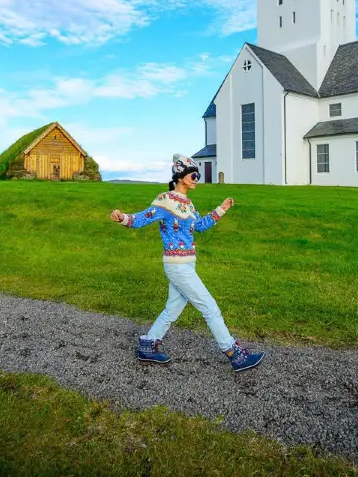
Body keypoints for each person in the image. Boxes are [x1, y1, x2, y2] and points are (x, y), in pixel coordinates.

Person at [110, 154, 265, 372]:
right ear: (181, 176)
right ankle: (234, 354)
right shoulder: (166, 200)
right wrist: (122, 218)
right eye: (194, 175)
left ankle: (148, 344)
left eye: (198, 175)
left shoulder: (189, 204)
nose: (196, 179)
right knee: (210, 307)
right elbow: (143, 217)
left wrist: (221, 209)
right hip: (177, 266)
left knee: (173, 308)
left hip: (187, 264)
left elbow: (200, 226)